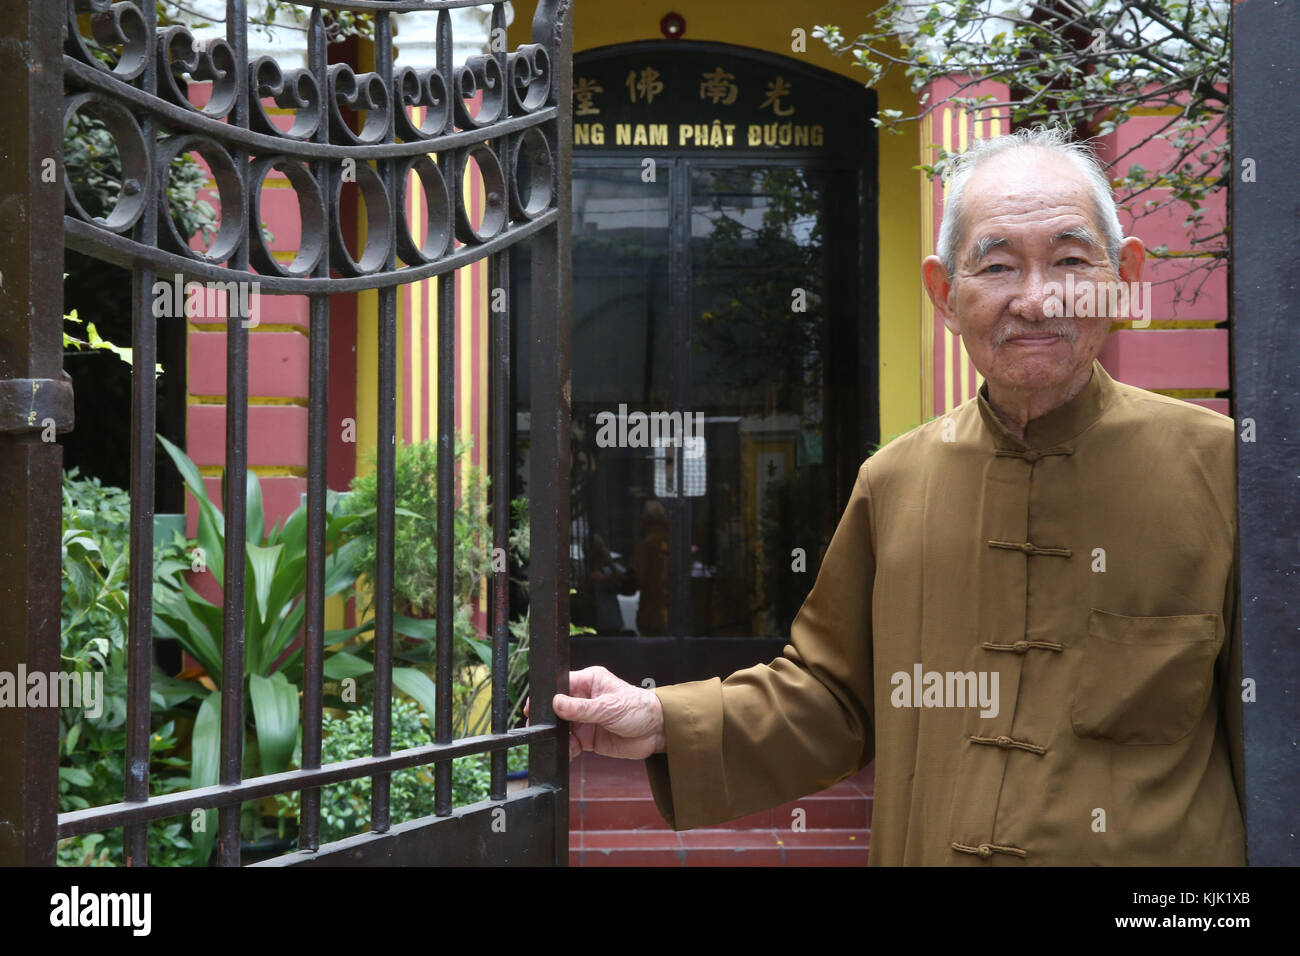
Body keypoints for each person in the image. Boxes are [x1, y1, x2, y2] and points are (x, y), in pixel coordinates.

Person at [537, 126, 1246, 865]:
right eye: (998, 266)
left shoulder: (1222, 469)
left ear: (1123, 272)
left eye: (1070, 261)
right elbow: (836, 697)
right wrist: (658, 718)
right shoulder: (898, 482)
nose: (1036, 301)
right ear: (944, 292)